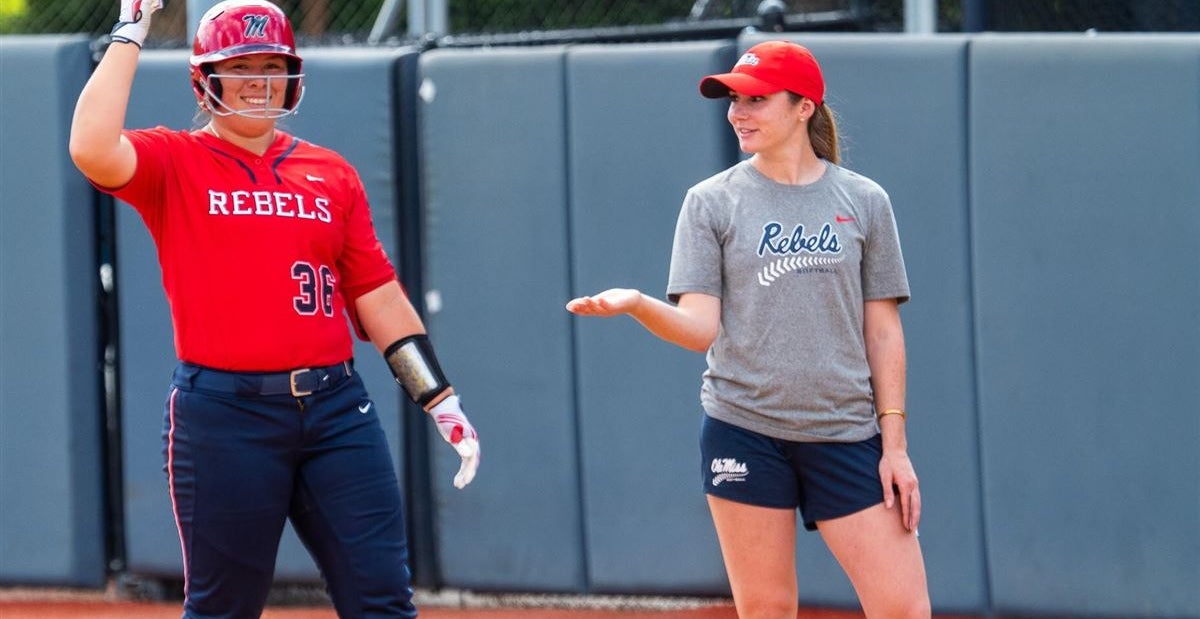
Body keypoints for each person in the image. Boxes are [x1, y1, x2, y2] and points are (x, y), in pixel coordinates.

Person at [69, 1, 480, 616]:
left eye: (273, 65)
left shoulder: (331, 172)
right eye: (241, 66)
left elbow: (377, 294)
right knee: (224, 608)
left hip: (338, 411)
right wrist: (130, 32)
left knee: (383, 600)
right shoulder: (174, 161)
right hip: (224, 417)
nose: (260, 81)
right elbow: (91, 147)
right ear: (204, 80)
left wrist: (440, 398)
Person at [566, 40, 930, 618]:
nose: (738, 112)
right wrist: (637, 303)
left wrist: (896, 447)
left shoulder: (864, 201)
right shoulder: (710, 203)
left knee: (904, 609)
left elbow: (883, 331)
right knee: (766, 610)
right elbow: (698, 329)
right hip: (744, 432)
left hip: (846, 433)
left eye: (756, 100)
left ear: (804, 106)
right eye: (733, 100)